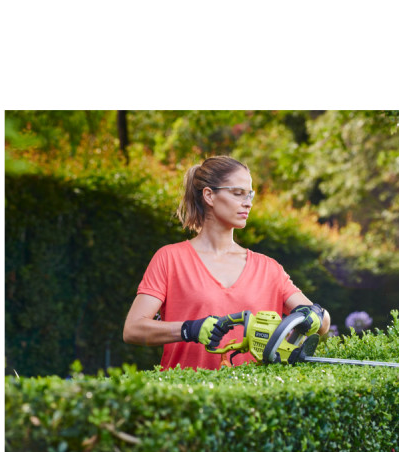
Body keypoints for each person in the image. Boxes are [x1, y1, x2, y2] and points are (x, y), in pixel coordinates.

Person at [123, 155, 330, 369]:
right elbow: (133, 329)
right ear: (209, 196)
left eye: (250, 194)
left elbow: (323, 322)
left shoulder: (268, 269)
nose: (248, 202)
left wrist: (313, 316)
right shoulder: (170, 259)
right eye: (238, 193)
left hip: (255, 391)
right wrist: (189, 329)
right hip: (186, 389)